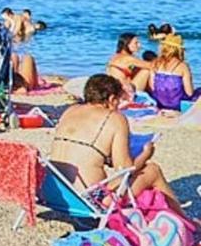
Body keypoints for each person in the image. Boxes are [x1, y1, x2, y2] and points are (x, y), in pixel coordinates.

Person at [49, 73, 186, 216]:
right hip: (89, 199)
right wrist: (146, 154)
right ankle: (187, 221)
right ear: (111, 99)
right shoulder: (114, 118)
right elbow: (125, 171)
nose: (118, 106)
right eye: (118, 101)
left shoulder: (70, 111)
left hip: (54, 191)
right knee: (152, 170)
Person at [148, 34, 194, 110]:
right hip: (177, 104)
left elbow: (152, 87)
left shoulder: (155, 63)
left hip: (159, 103)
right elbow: (189, 93)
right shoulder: (182, 66)